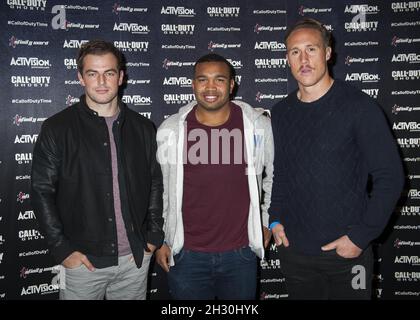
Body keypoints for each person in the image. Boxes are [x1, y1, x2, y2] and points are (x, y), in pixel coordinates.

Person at [269, 18, 404, 300]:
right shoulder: (280, 112)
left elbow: (390, 177)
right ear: (287, 58)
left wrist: (360, 237)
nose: (303, 59)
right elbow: (282, 171)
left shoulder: (360, 107)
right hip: (296, 254)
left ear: (328, 53)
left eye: (312, 49)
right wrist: (275, 218)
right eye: (295, 52)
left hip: (348, 256)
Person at [31, 40, 164, 300]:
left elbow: (154, 184)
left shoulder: (143, 128)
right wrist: (62, 249)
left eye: (109, 73)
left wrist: (153, 236)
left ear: (121, 77)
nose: (101, 81)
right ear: (81, 77)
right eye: (93, 73)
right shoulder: (57, 128)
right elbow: (41, 192)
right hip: (82, 263)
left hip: (134, 261)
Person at [155, 53, 274, 300]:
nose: (210, 87)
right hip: (186, 256)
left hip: (240, 254)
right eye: (203, 79)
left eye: (219, 79)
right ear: (193, 84)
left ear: (232, 85)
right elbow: (164, 191)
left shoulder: (257, 126)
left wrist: (265, 221)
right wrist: (165, 239)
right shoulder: (171, 130)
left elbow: (272, 176)